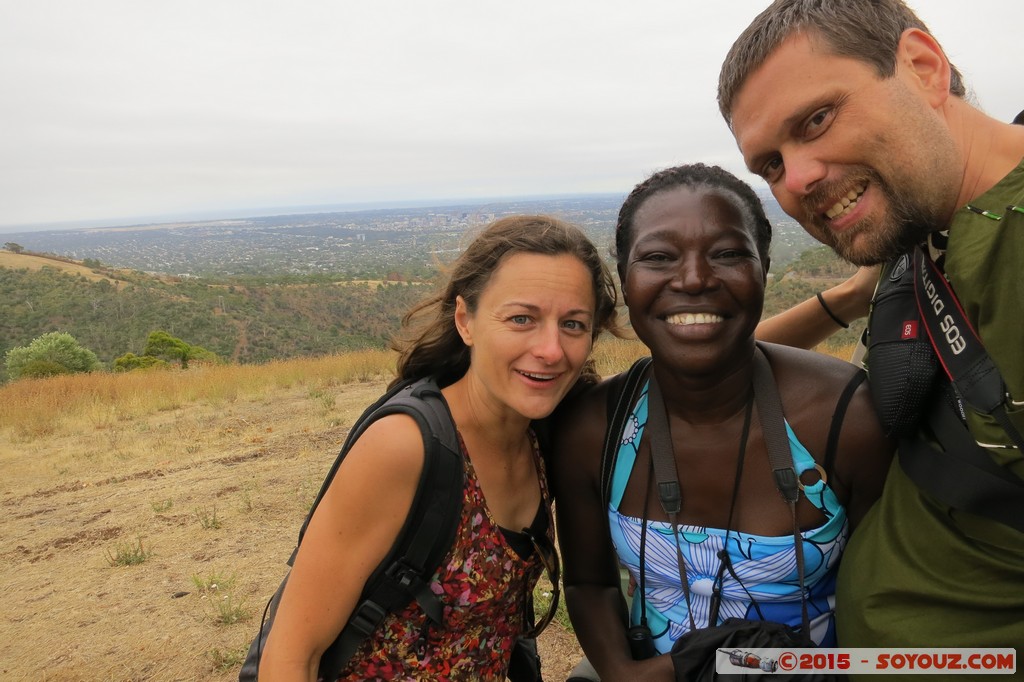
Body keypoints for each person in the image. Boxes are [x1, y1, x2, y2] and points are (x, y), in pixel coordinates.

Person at [718, 0, 1024, 653]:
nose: (796, 179)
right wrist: (857, 295)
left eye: (819, 119)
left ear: (922, 68)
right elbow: (716, 370)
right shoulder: (923, 223)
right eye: (770, 163)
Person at [552, 163, 893, 681]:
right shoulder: (597, 428)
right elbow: (589, 583)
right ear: (625, 279)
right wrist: (623, 673)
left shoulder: (845, 418)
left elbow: (887, 603)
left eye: (728, 254)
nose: (693, 279)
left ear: (764, 268)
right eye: (659, 257)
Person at [257, 215, 619, 680]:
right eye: (521, 319)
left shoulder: (546, 431)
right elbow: (290, 654)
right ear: (466, 321)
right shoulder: (407, 447)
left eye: (573, 324)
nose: (551, 349)